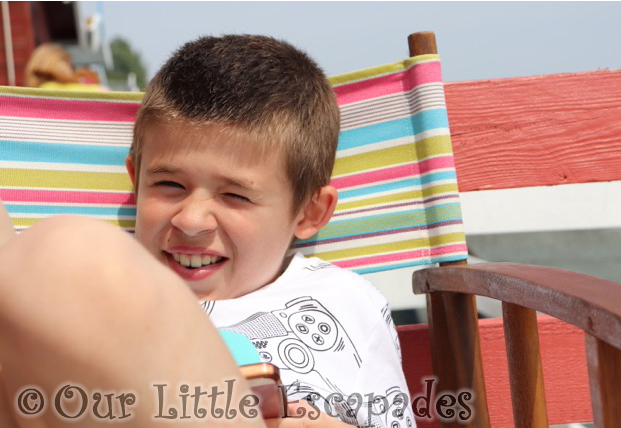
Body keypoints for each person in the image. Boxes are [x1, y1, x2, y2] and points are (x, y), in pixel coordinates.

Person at [0, 35, 414, 428]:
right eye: (169, 185)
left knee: (62, 250)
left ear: (310, 212)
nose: (191, 220)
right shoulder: (103, 288)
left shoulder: (345, 302)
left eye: (235, 196)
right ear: (136, 178)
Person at [24, 43, 106, 91]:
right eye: (70, 66)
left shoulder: (30, 100)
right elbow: (104, 92)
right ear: (62, 65)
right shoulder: (90, 91)